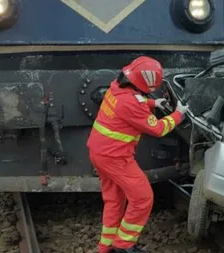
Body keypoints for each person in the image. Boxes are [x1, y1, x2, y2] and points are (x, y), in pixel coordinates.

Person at [86, 56, 189, 253]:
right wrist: (178, 114)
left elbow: (133, 100)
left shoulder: (116, 86)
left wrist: (153, 103)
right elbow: (158, 128)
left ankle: (105, 247)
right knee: (143, 199)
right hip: (116, 158)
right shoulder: (132, 104)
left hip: (99, 153)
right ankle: (123, 246)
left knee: (114, 200)